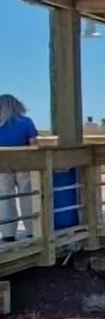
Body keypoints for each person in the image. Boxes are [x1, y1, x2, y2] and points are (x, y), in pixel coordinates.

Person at [0, 95, 38, 242]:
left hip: (3, 164)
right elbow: (34, 144)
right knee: (27, 195)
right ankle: (31, 229)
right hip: (24, 163)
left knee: (5, 197)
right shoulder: (26, 122)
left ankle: (8, 232)